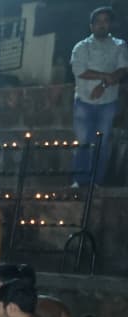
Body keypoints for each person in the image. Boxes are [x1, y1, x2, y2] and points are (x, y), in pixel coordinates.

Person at [70, 7, 127, 187]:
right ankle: (79, 180)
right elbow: (79, 70)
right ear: (91, 25)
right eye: (98, 22)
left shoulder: (119, 45)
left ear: (109, 24)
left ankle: (97, 181)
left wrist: (104, 84)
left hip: (108, 102)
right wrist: (104, 77)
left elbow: (122, 69)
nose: (102, 25)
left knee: (101, 144)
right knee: (82, 142)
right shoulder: (81, 46)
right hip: (84, 102)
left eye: (105, 21)